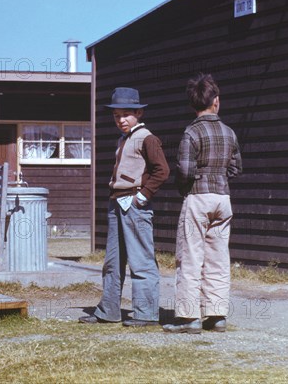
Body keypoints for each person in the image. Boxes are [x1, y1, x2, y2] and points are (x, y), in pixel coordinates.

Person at [79, 87, 170, 327]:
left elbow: (162, 170)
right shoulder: (123, 139)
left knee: (141, 260)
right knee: (112, 261)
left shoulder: (147, 138)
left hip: (135, 205)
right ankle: (108, 310)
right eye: (116, 115)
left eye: (126, 114)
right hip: (116, 204)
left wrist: (142, 196)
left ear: (139, 113)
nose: (121, 120)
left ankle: (146, 313)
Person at [163, 73, 242, 334]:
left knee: (190, 257)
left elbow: (184, 170)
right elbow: (235, 167)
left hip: (198, 197)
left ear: (192, 105)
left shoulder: (192, 132)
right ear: (216, 101)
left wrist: (190, 184)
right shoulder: (229, 132)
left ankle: (189, 317)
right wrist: (217, 176)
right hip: (223, 198)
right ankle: (216, 316)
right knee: (218, 258)